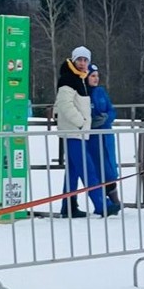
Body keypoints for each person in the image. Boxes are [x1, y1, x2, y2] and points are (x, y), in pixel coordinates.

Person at [54, 46, 93, 217]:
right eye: (80, 60)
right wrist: (80, 122)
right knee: (86, 169)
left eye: (85, 60)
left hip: (78, 131)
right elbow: (65, 104)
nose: (83, 63)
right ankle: (101, 204)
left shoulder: (79, 78)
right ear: (74, 60)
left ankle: (68, 206)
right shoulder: (68, 79)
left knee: (73, 171)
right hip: (74, 131)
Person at [85, 63, 121, 216]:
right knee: (95, 168)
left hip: (105, 136)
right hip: (92, 137)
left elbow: (111, 110)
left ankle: (114, 199)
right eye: (92, 76)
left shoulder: (101, 92)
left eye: (97, 76)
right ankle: (102, 200)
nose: (95, 79)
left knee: (109, 168)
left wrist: (107, 118)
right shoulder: (83, 93)